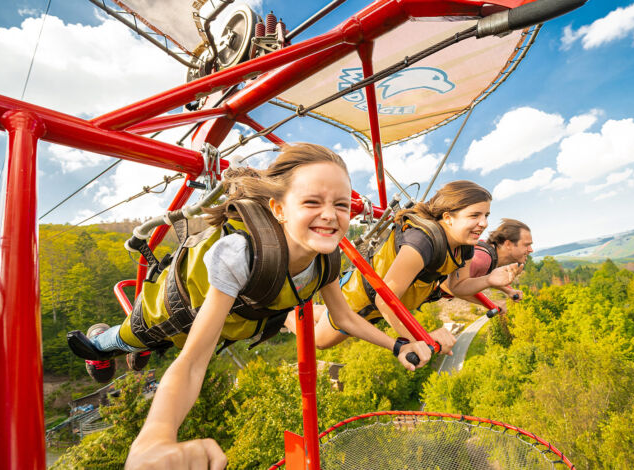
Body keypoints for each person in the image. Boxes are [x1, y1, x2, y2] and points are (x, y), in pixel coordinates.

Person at [67, 143, 432, 470]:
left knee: (146, 345)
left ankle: (136, 351)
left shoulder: (325, 260)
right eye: (312, 202)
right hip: (177, 313)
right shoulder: (241, 254)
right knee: (133, 335)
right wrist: (154, 439)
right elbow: (194, 361)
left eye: (340, 204)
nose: (331, 215)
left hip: (234, 324)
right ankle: (99, 345)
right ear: (279, 209)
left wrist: (398, 346)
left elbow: (344, 317)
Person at [294, 180, 522, 351]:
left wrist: (489, 280)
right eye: (474, 216)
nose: (483, 223)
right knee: (318, 341)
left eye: (486, 215)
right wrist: (419, 340)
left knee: (326, 319)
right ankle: (286, 315)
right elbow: (385, 299)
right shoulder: (422, 242)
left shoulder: (464, 246)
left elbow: (458, 286)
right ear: (448, 217)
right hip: (361, 298)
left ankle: (308, 310)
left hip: (387, 305)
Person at [435, 218, 533, 311]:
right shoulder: (482, 259)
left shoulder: (490, 254)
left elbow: (484, 277)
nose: (531, 250)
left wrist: (509, 290)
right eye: (526, 245)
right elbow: (445, 283)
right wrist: (489, 303)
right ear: (508, 244)